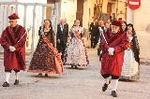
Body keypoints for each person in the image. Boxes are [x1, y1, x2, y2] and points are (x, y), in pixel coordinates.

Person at [100, 20, 129, 97]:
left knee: (115, 73)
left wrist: (115, 49)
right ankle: (107, 82)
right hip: (107, 55)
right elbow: (103, 42)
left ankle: (114, 90)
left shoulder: (123, 35)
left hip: (117, 56)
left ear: (119, 28)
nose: (113, 29)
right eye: (112, 27)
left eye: (115, 27)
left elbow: (125, 44)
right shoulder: (106, 33)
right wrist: (108, 48)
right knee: (105, 72)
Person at [0, 13, 27, 87]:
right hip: (9, 51)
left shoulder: (22, 29)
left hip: (18, 50)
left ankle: (17, 79)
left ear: (16, 21)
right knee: (8, 65)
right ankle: (7, 81)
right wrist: (8, 46)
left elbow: (22, 40)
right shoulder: (6, 30)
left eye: (12, 21)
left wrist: (15, 47)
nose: (11, 23)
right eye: (10, 22)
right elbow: (2, 40)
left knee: (17, 65)